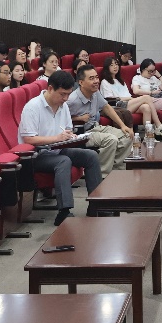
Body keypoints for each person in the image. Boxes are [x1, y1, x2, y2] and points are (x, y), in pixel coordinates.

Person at [19, 71, 105, 226]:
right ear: (50, 89)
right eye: (62, 94)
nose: (65, 99)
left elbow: (67, 129)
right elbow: (29, 139)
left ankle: (96, 206)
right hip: (36, 155)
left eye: (68, 94)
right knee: (63, 161)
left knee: (90, 156)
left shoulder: (63, 106)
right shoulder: (32, 107)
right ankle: (64, 212)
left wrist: (71, 136)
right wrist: (57, 138)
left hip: (57, 149)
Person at [67, 64, 132, 177]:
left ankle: (116, 170)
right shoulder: (72, 100)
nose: (96, 81)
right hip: (80, 134)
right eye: (91, 78)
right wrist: (78, 118)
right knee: (111, 140)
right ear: (81, 82)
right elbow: (60, 118)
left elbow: (106, 107)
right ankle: (100, 174)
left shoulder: (95, 92)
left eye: (96, 77)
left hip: (94, 127)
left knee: (127, 136)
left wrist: (123, 125)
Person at [98, 57, 162, 135]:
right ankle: (159, 125)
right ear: (107, 68)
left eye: (116, 64)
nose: (115, 67)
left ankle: (149, 135)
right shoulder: (104, 82)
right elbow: (109, 100)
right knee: (146, 97)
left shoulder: (121, 81)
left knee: (146, 107)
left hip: (128, 103)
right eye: (112, 65)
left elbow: (128, 95)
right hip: (118, 105)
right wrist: (128, 98)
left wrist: (130, 99)